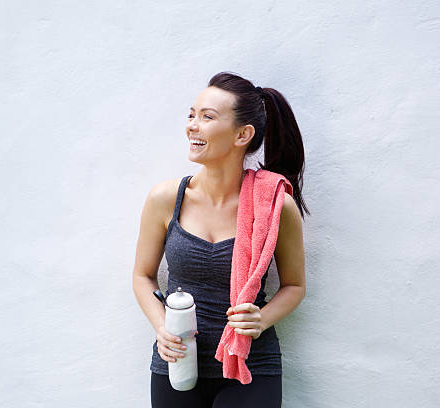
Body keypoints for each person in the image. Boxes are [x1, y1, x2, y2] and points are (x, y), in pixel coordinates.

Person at [132, 71, 308, 407]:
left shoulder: (274, 205)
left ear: (243, 134)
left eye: (207, 117)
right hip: (177, 362)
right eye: (191, 115)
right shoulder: (166, 198)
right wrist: (161, 327)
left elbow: (295, 286)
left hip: (250, 365)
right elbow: (142, 276)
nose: (192, 126)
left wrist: (263, 318)